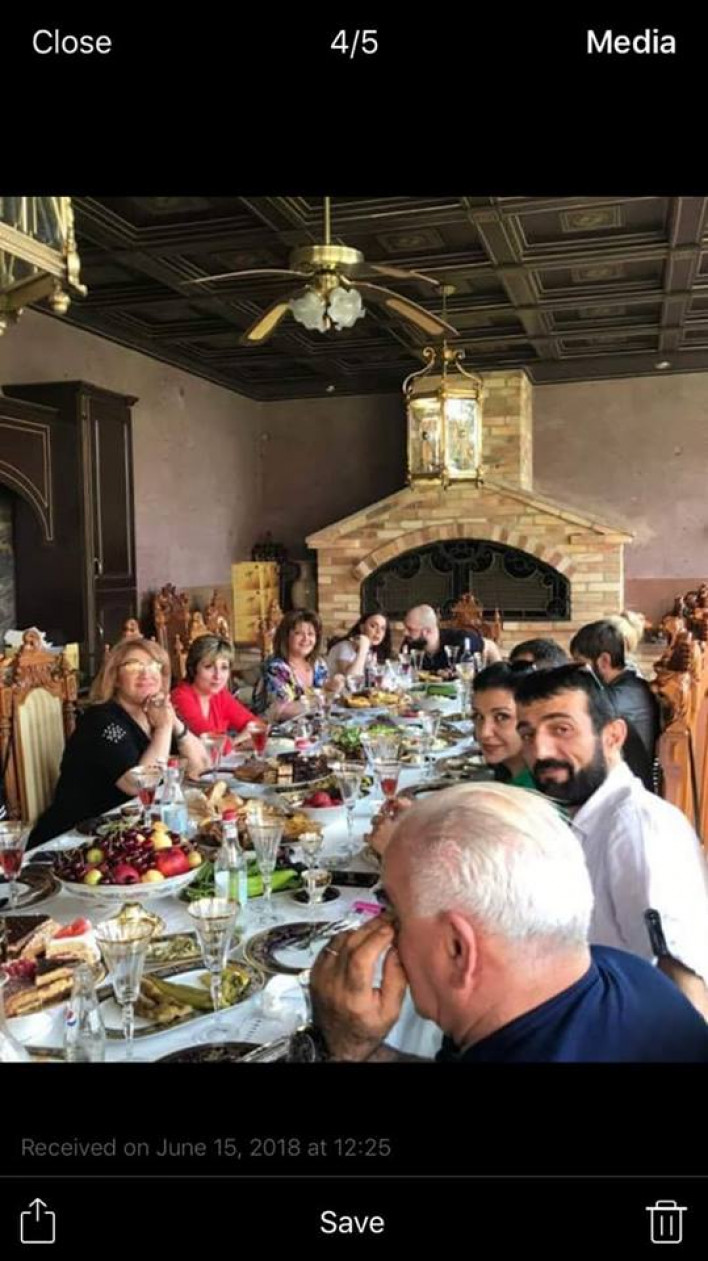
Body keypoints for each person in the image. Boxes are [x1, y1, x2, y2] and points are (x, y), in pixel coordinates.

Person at [304, 783, 708, 1062]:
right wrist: (364, 1048)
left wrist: (343, 1048)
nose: (386, 932)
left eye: (394, 912)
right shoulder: (623, 971)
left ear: (458, 948)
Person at [514, 664, 708, 1016]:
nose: (540, 751)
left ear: (613, 736)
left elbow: (685, 988)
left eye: (561, 729)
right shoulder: (588, 813)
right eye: (528, 734)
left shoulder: (637, 829)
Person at [29, 638, 209, 847]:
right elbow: (138, 785)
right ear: (115, 678)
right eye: (133, 666)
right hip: (74, 840)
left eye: (154, 665)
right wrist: (163, 729)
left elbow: (201, 766)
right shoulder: (101, 720)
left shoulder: (158, 713)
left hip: (127, 834)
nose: (146, 673)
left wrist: (175, 723)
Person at [569, 619, 660, 790]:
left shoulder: (617, 698)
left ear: (604, 661)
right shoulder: (633, 686)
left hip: (626, 788)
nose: (577, 672)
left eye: (580, 664)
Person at [252, 609, 344, 722]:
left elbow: (325, 697)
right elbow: (281, 711)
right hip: (277, 729)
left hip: (312, 725)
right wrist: (322, 697)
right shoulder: (277, 668)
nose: (306, 639)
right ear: (286, 636)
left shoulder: (318, 664)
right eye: (298, 633)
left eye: (310, 634)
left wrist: (332, 687)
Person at [171, 635, 256, 753]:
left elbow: (256, 726)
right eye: (208, 667)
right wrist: (236, 742)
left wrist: (233, 742)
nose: (218, 676)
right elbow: (214, 743)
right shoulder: (181, 697)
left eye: (224, 667)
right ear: (193, 668)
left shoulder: (220, 694)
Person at [471, 663, 536, 788]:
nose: (484, 733)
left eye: (502, 717)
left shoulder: (533, 791)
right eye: (478, 716)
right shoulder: (511, 773)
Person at [401, 604, 483, 673]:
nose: (405, 633)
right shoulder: (409, 644)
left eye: (410, 629)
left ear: (428, 631)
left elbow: (487, 646)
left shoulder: (459, 639)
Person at [326, 613, 391, 680]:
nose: (378, 632)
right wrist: (363, 648)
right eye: (373, 626)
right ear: (362, 627)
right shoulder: (345, 646)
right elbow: (350, 679)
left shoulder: (371, 652)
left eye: (383, 628)